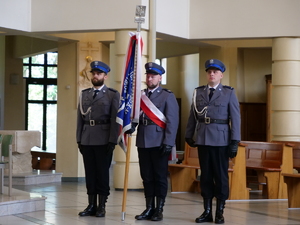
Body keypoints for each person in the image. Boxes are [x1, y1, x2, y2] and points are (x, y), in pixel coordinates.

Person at [185, 59, 240, 224]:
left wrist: (235, 141)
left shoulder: (228, 93)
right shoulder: (198, 92)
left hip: (221, 140)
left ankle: (220, 211)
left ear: (221, 75)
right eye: (209, 71)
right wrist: (189, 134)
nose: (211, 74)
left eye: (215, 72)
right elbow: (193, 115)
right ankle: (207, 210)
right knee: (206, 176)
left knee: (221, 176)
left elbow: (235, 118)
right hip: (203, 139)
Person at [128, 62, 179, 221]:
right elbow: (136, 116)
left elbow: (173, 121)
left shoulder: (167, 96)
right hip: (143, 140)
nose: (150, 78)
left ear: (160, 78)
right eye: (148, 76)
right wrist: (130, 126)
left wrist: (168, 142)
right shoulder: (140, 95)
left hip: (160, 141)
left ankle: (159, 209)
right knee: (147, 176)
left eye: (153, 76)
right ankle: (149, 207)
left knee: (159, 176)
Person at [76, 61, 120, 217]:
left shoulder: (112, 94)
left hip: (104, 139)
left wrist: (112, 140)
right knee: (90, 173)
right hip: (87, 138)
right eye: (93, 73)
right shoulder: (84, 94)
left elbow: (115, 119)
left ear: (105, 76)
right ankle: (91, 205)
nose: (95, 76)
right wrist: (79, 139)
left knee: (102, 173)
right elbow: (80, 118)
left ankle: (101, 206)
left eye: (99, 74)